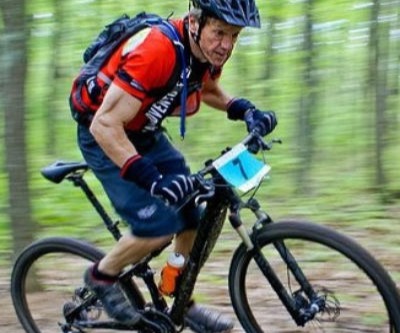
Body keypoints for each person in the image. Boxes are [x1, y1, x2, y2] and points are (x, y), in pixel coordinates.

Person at [69, 0, 277, 332]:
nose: (226, 45)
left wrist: (244, 110)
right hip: (104, 133)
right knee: (158, 227)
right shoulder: (158, 50)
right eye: (219, 32)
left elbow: (206, 90)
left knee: (191, 216)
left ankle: (177, 295)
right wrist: (150, 179)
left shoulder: (203, 55)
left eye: (234, 36)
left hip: (145, 133)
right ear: (195, 22)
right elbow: (104, 125)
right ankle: (100, 275)